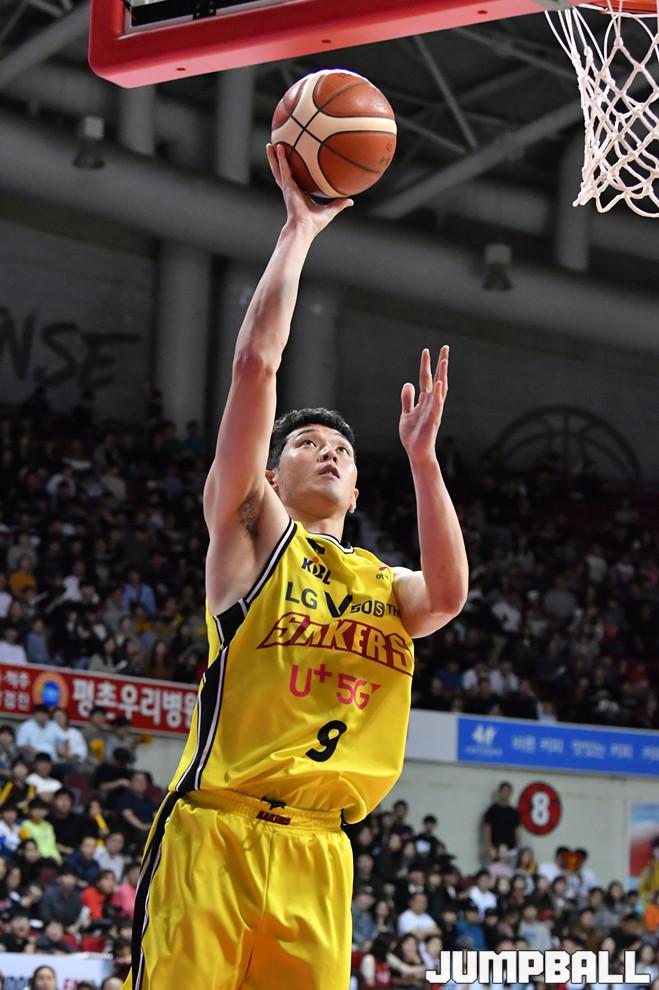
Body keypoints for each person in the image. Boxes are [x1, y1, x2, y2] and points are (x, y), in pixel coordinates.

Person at [121, 144, 468, 990]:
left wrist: (424, 462)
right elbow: (255, 366)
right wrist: (298, 232)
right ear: (272, 477)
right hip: (215, 832)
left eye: (341, 449)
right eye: (307, 443)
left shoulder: (384, 588)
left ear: (356, 488)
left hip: (321, 851)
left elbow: (450, 594)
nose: (329, 451)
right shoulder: (253, 536)